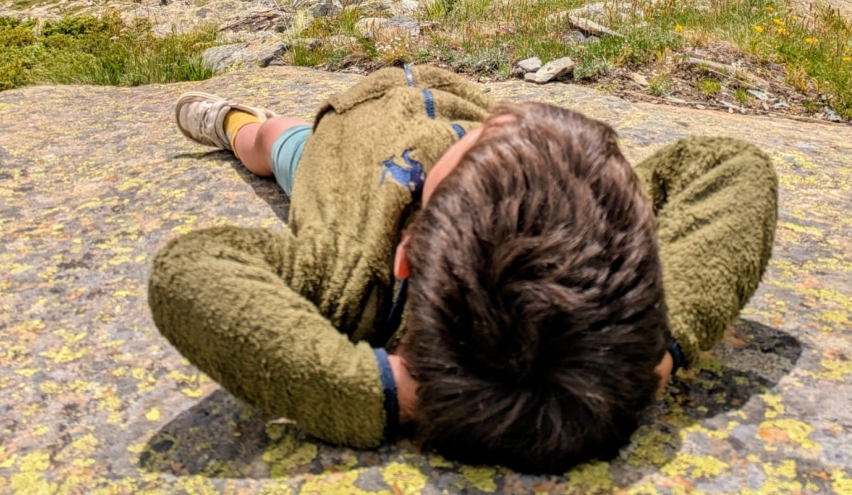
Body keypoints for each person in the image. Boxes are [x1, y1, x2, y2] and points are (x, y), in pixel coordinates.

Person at [148, 65, 777, 474]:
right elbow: (732, 165)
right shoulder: (576, 230)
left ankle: (236, 124)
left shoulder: (350, 276)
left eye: (466, 148)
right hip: (454, 93)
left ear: (404, 257)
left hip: (344, 140)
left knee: (273, 144)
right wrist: (648, 351)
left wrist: (396, 393)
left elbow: (189, 271)